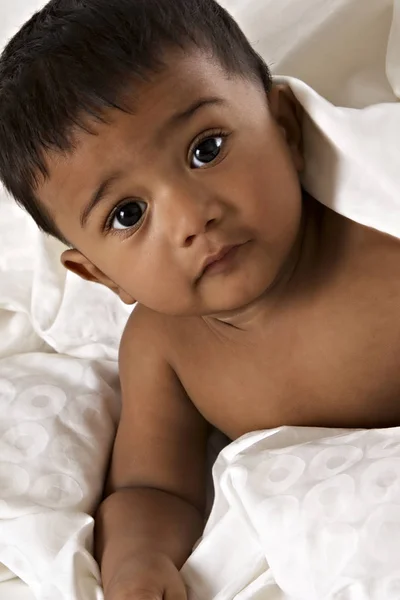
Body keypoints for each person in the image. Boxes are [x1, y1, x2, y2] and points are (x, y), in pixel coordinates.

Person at [1, 0, 400, 597]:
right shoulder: (167, 350)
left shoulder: (379, 232)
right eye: (128, 214)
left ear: (285, 128)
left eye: (206, 149)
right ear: (103, 277)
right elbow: (153, 490)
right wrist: (138, 564)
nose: (192, 217)